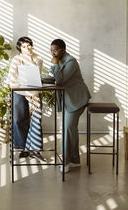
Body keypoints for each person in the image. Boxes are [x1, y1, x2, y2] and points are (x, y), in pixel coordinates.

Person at [50, 39, 91, 173]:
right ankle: (74, 160)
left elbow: (61, 79)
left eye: (55, 50)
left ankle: (66, 162)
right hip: (69, 100)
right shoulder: (62, 60)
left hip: (77, 99)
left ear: (63, 49)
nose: (53, 53)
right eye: (51, 50)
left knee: (67, 128)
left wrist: (55, 65)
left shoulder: (71, 61)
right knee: (71, 129)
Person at [8, 36, 46, 161]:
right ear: (20, 48)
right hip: (19, 91)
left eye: (29, 45)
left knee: (35, 119)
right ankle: (22, 147)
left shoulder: (38, 59)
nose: (27, 48)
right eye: (24, 46)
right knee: (19, 119)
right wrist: (18, 82)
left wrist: (30, 59)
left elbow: (36, 75)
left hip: (33, 92)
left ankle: (35, 149)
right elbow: (12, 77)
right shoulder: (16, 59)